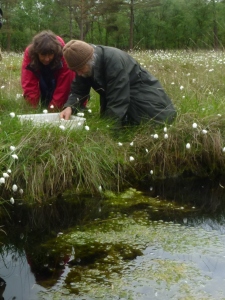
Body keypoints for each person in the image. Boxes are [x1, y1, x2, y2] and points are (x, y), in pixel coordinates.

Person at [60, 40, 176, 126]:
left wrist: (106, 130)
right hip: (123, 95)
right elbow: (78, 90)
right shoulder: (83, 65)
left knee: (152, 124)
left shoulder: (113, 61)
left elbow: (118, 100)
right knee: (117, 121)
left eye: (80, 69)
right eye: (76, 71)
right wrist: (70, 106)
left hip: (145, 98)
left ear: (91, 60)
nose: (79, 74)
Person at [21, 30, 76, 109]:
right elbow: (29, 82)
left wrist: (53, 108)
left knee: (60, 101)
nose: (47, 59)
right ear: (37, 53)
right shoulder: (30, 53)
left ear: (55, 52)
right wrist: (32, 108)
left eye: (50, 54)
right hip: (42, 75)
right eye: (43, 55)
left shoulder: (63, 53)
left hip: (57, 77)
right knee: (44, 101)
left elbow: (64, 85)